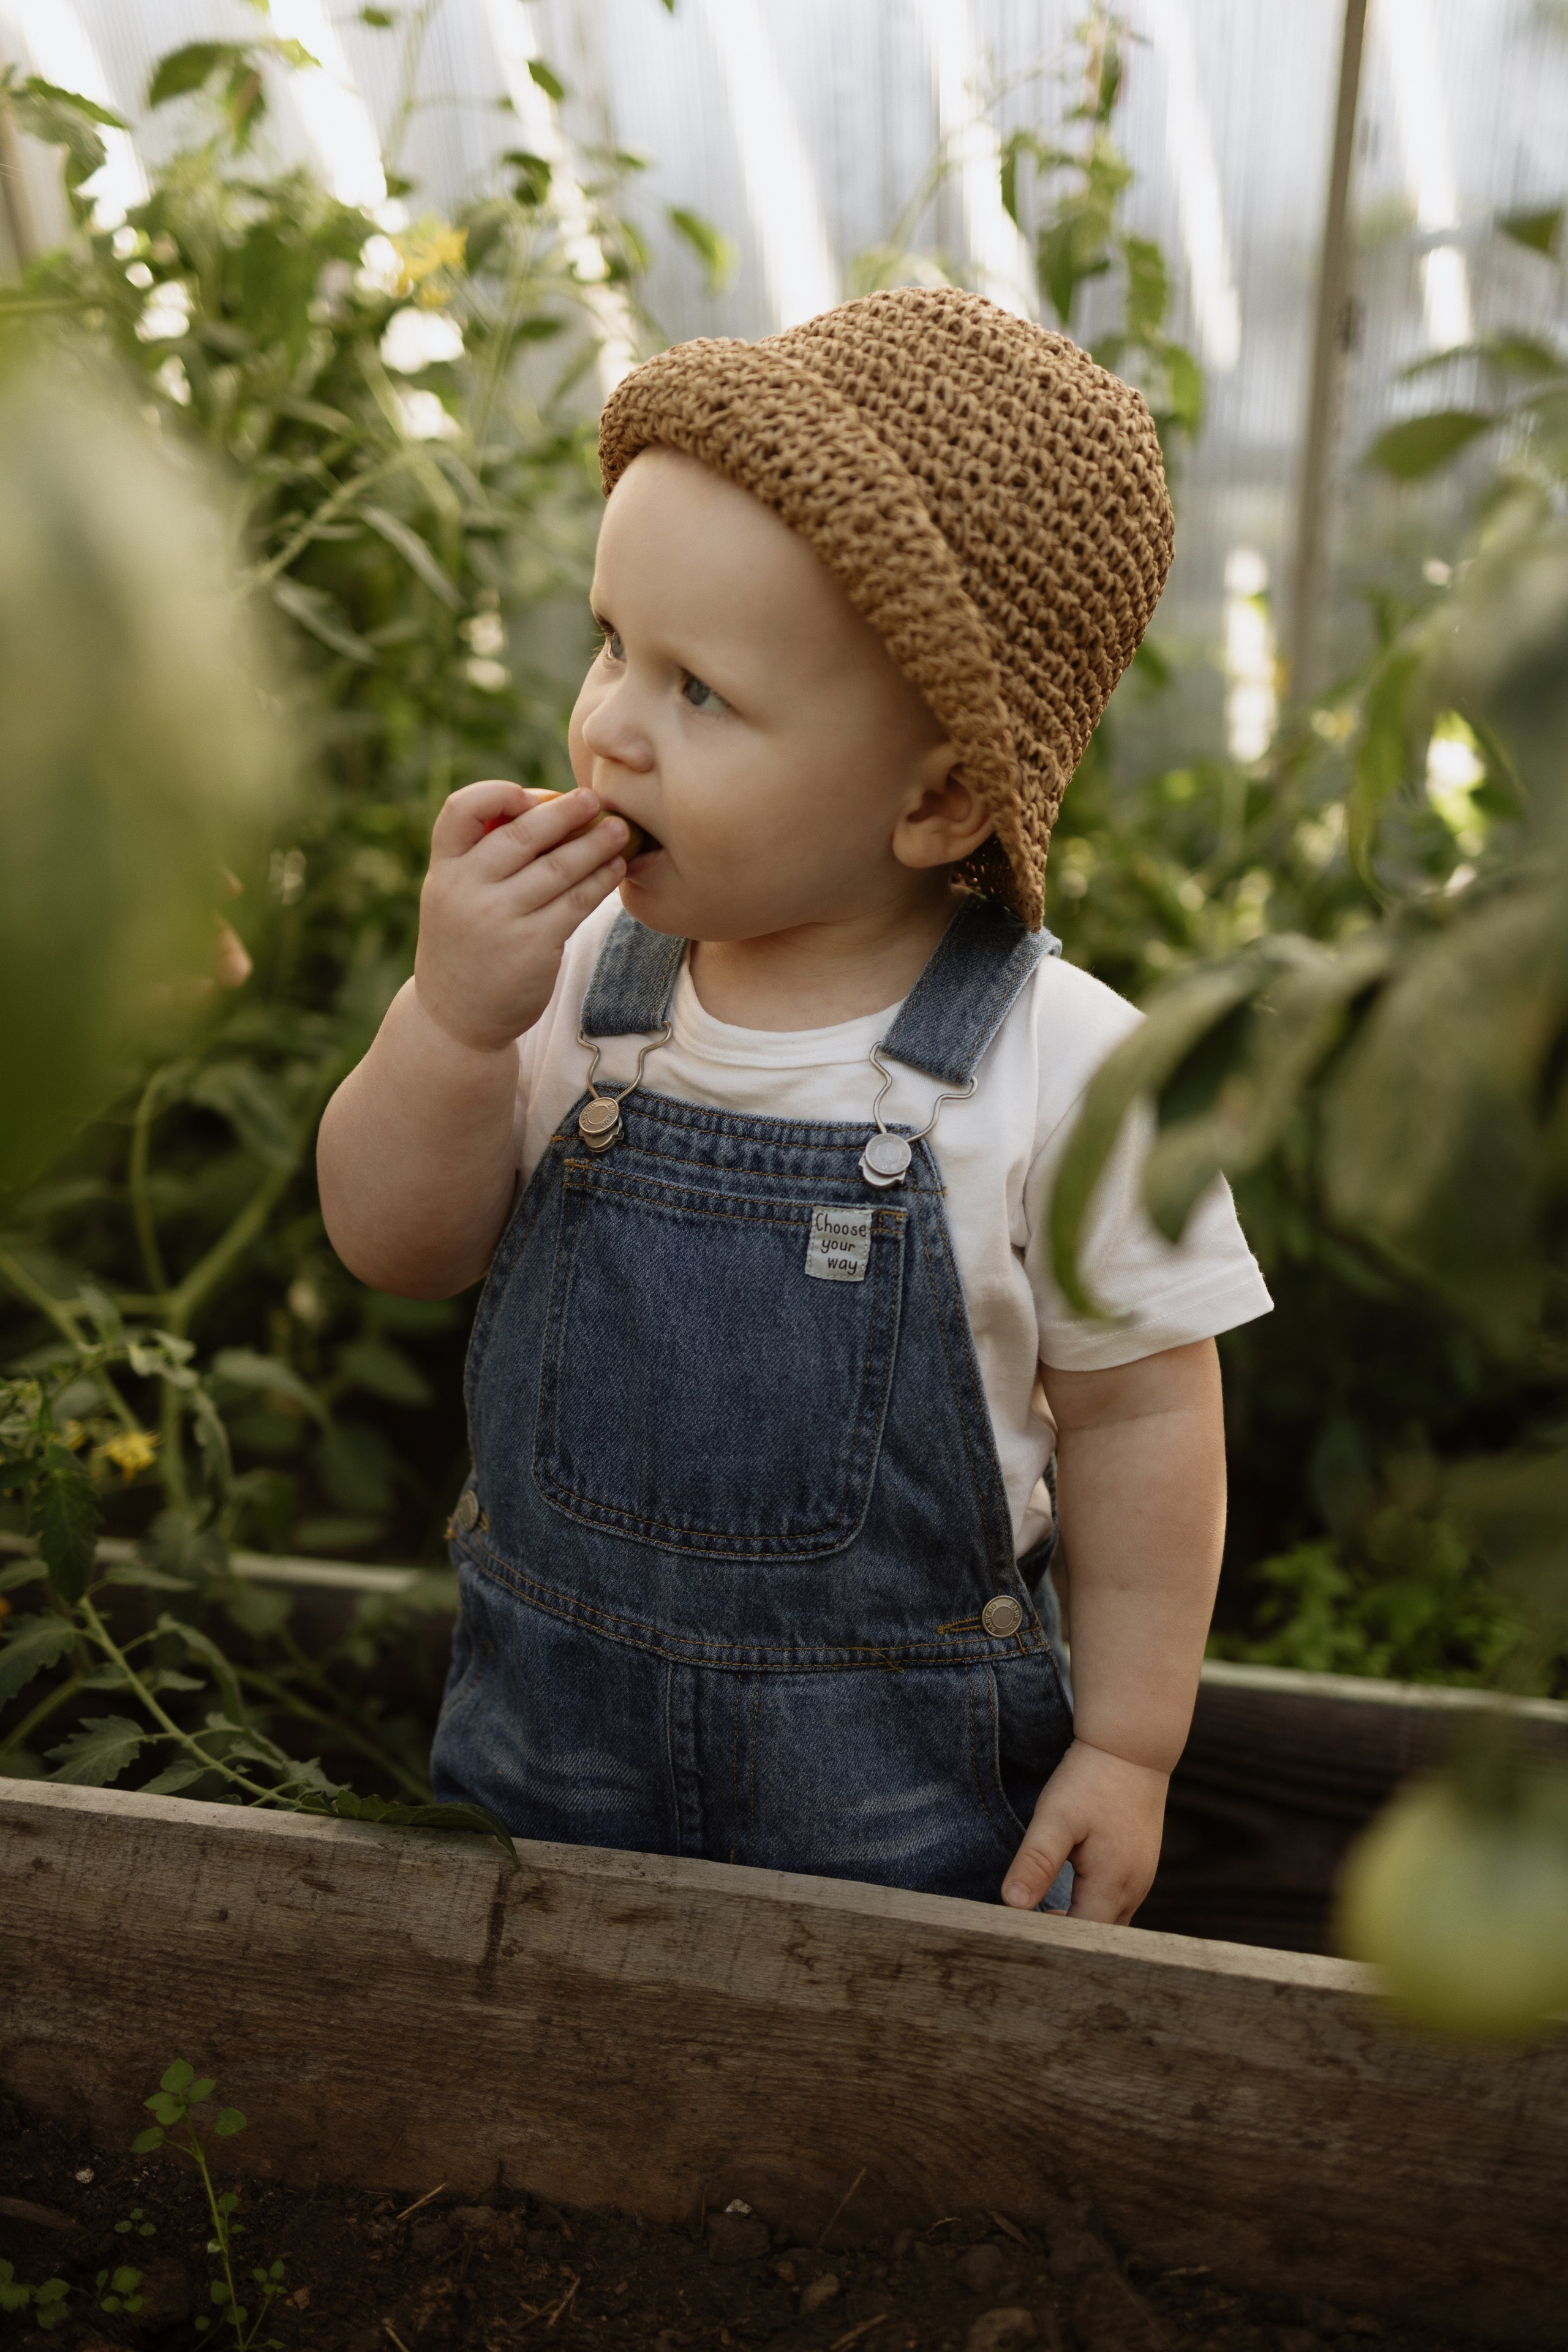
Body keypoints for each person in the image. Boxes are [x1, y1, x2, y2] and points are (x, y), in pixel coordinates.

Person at [317, 289, 1271, 1924]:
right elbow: (396, 1246)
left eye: (701, 693)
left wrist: (1128, 1746)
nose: (609, 723)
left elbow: (1145, 1416)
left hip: (902, 1801)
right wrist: (456, 1024)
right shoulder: (569, 984)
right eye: (612, 643)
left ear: (938, 798)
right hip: (547, 1764)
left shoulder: (1066, 1066)